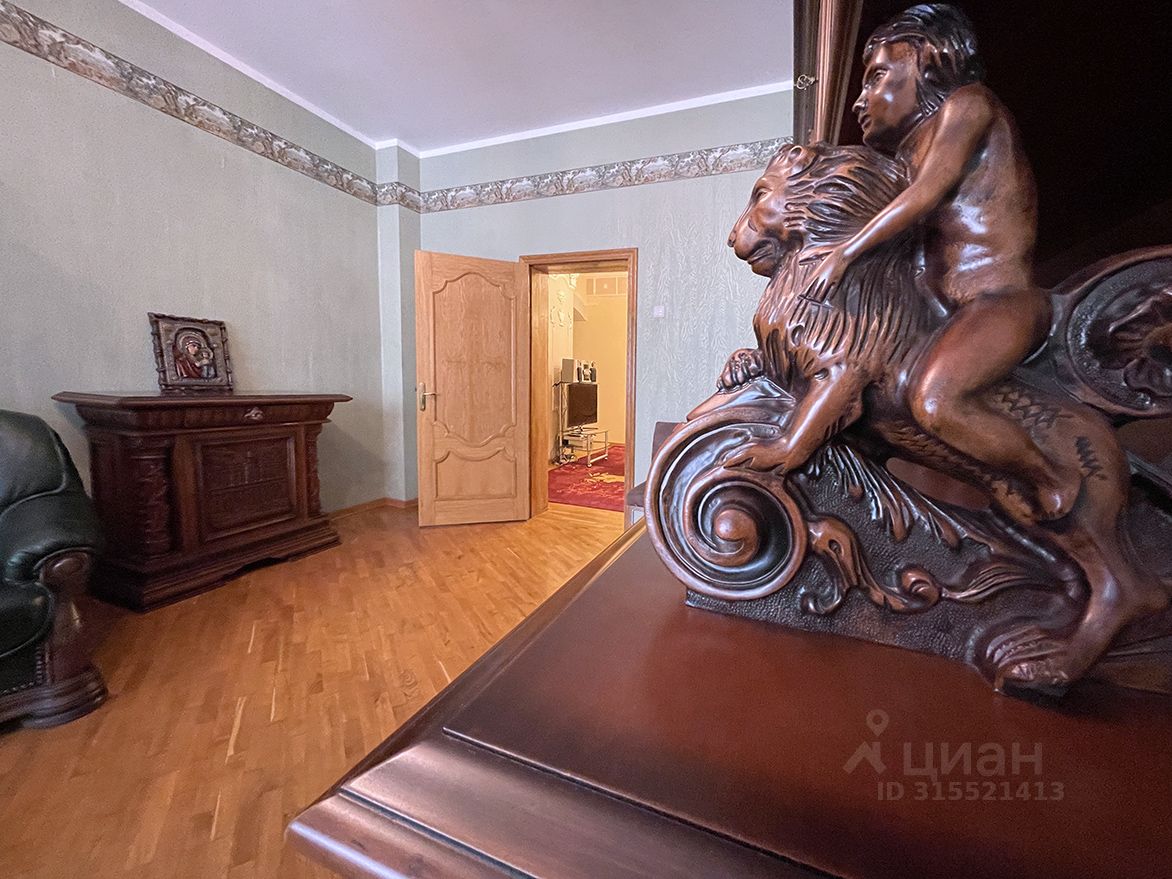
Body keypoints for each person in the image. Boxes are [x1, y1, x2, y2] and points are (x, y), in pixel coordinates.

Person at [803, 3, 1079, 520]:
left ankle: (1051, 474)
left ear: (928, 66)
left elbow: (925, 196)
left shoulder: (967, 106)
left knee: (935, 400)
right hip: (944, 311)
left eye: (876, 77)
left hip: (999, 302)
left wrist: (845, 253)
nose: (860, 100)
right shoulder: (908, 151)